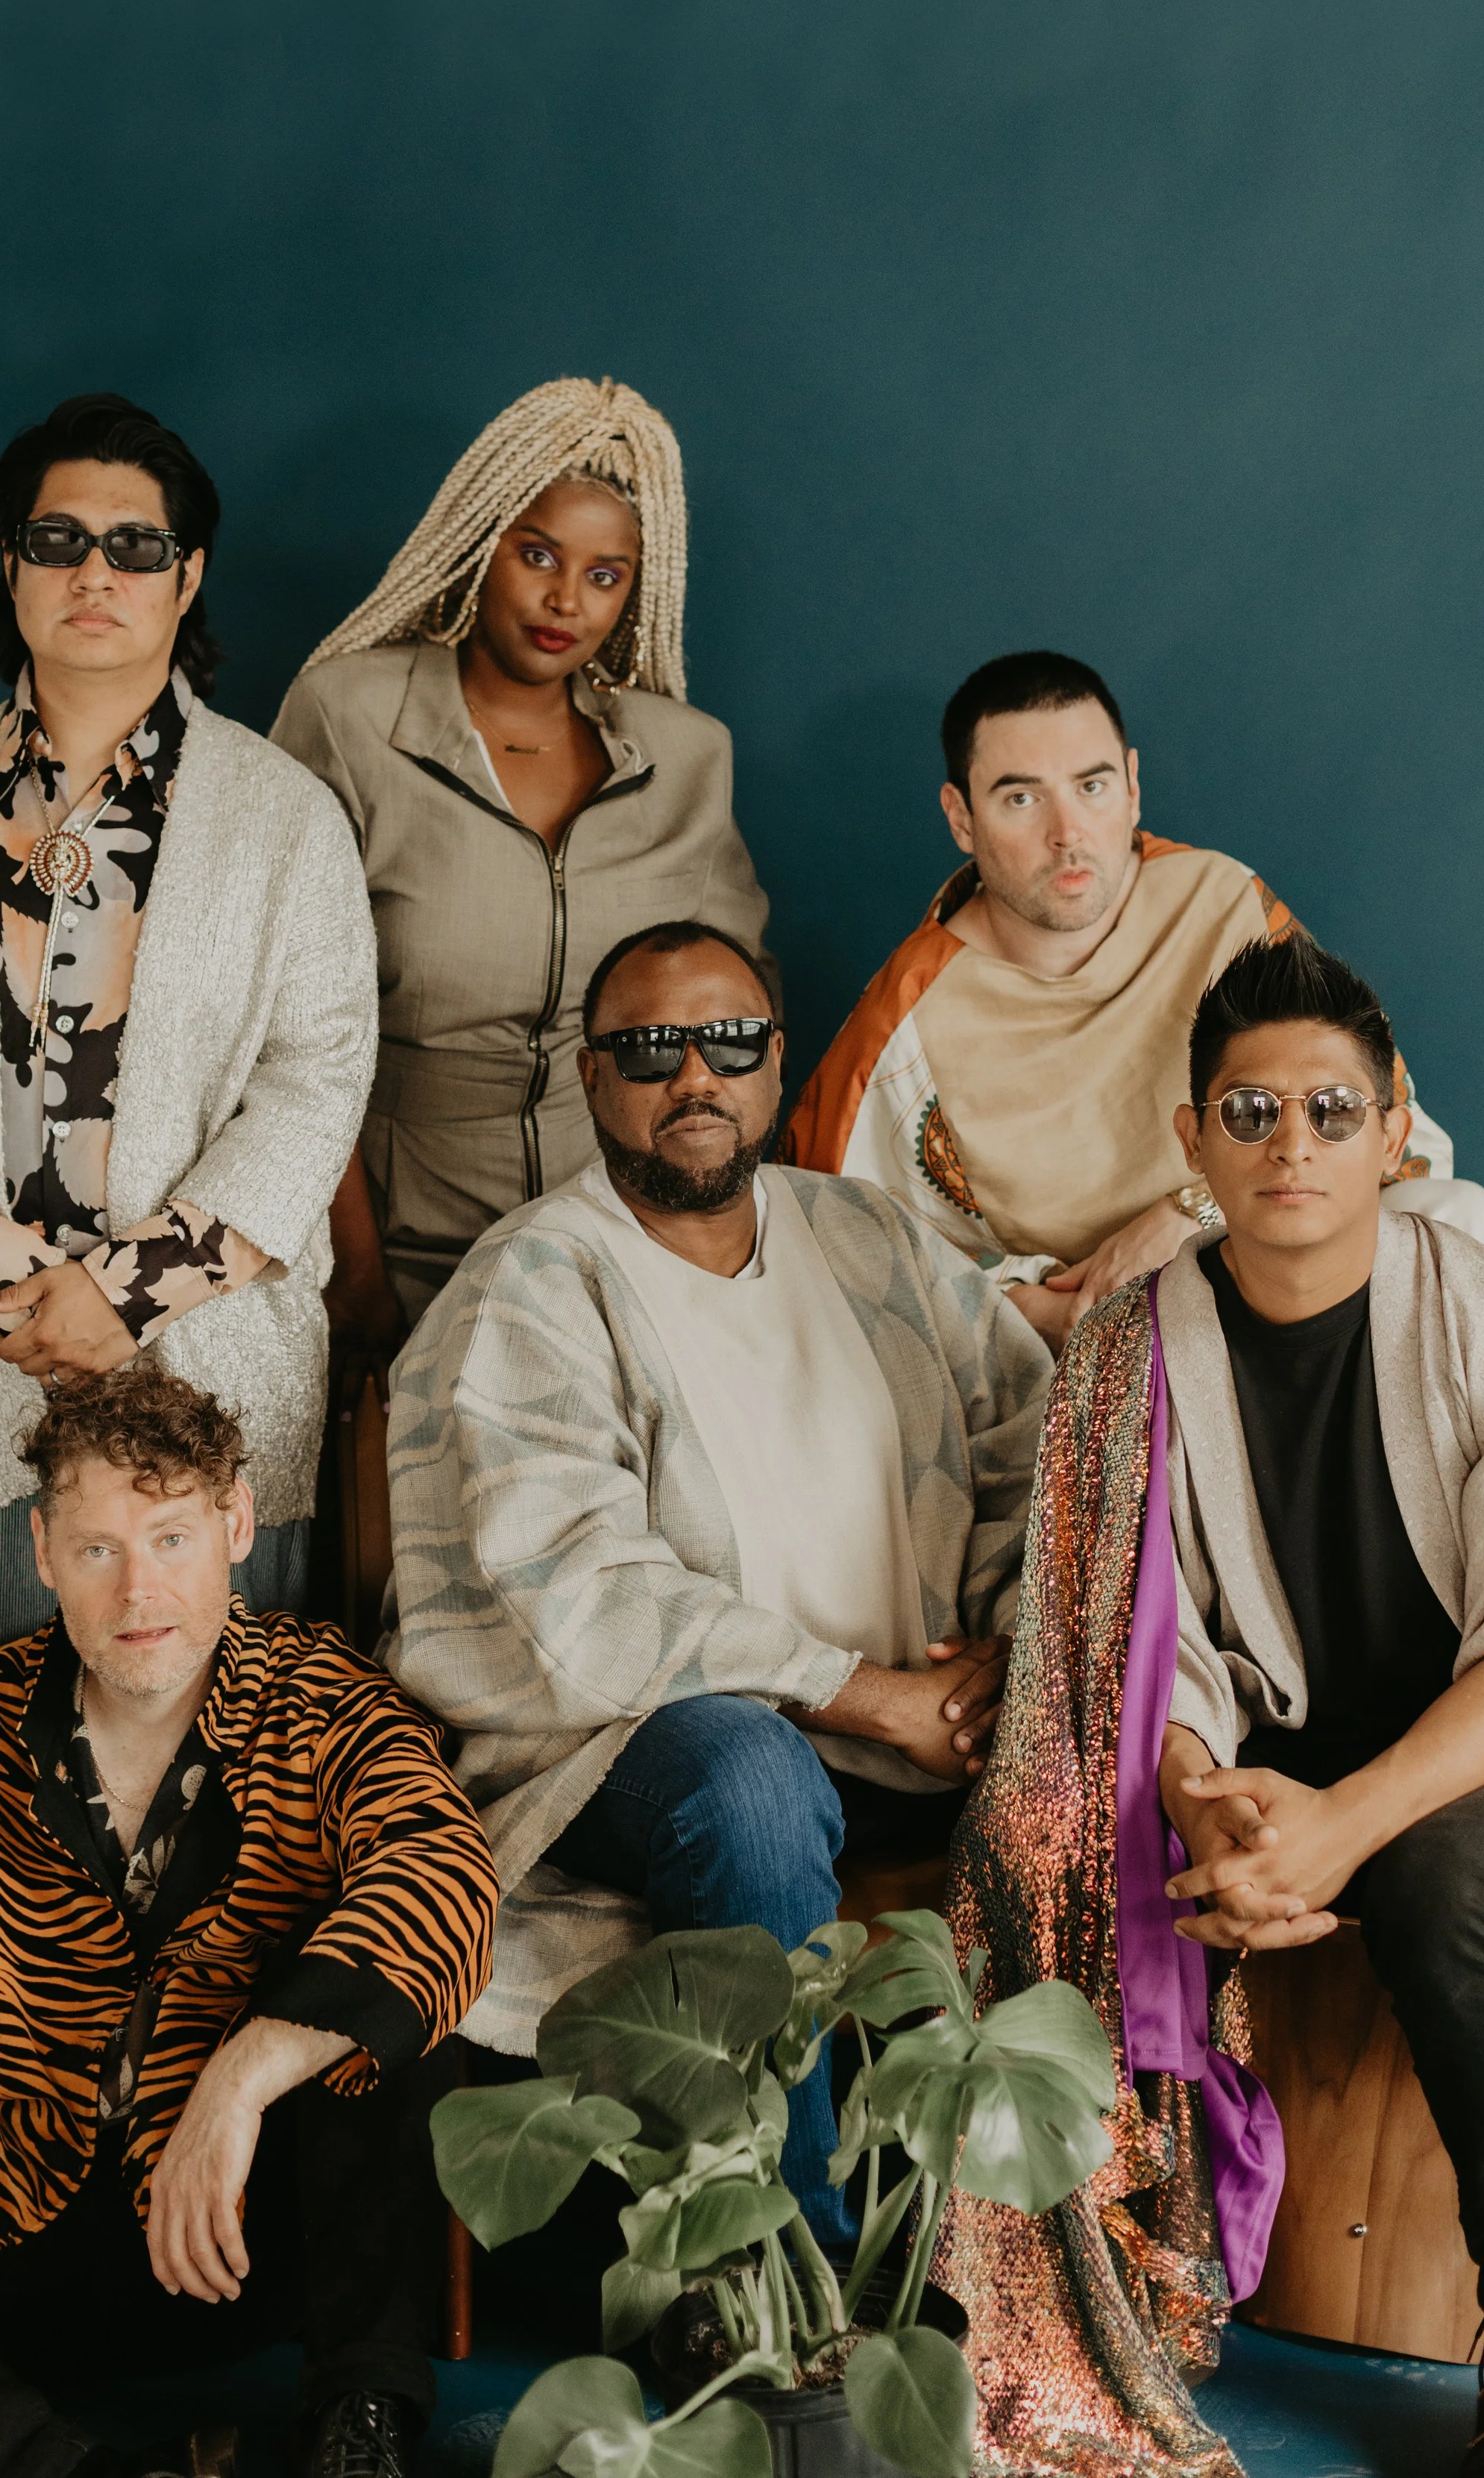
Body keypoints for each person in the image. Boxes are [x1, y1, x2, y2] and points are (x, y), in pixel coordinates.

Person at [928, 935, 1484, 2478]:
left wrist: (1341, 1828)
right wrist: (1202, 1788)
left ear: (1393, 1126)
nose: (1291, 1147)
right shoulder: (1131, 1346)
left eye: (1330, 1113)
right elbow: (1137, 1636)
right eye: (1251, 1111)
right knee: (1035, 1836)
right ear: (1191, 1139)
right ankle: (1072, 2298)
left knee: (1440, 1880)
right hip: (1272, 1768)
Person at [383, 918, 1051, 2251]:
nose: (695, 1075)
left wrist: (995, 1652)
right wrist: (859, 1696)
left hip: (920, 1722)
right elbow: (578, 1590)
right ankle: (780, 2273)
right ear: (591, 1079)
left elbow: (1023, 1438)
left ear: (774, 1063)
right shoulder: (536, 1283)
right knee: (750, 1771)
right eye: (649, 1049)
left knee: (1128, 1725)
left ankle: (1049, 2250)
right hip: (630, 1754)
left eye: (729, 1041)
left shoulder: (869, 1235)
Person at [0, 1365, 495, 2478]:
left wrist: (241, 2077)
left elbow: (441, 1870)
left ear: (236, 1523)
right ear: (42, 1551)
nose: (139, 1593)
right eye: (98, 1549)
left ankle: (353, 2432)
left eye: (172, 1538)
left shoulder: (329, 1701)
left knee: (385, 2015)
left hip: (241, 2235)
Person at [0, 392, 377, 1681]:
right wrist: (10, 1282)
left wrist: (122, 1294)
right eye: (57, 542)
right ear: (13, 566)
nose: (95, 572)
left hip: (210, 1368)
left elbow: (318, 1076)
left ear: (190, 576)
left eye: (136, 545)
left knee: (229, 1790)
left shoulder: (289, 820)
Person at [785, 648, 1484, 1352]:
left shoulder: (1219, 901)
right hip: (1100, 1355)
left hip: (1290, 1272)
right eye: (1019, 798)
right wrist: (1036, 1308)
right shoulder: (908, 1023)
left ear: (1133, 786)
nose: (1066, 834)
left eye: (1092, 786)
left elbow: (1380, 1128)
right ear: (960, 816)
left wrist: (1185, 1214)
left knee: (1461, 1218)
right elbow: (845, 1261)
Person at [270, 376, 773, 1390]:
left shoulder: (688, 755)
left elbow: (742, 1022)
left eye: (605, 574)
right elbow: (283, 1028)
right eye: (536, 554)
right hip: (402, 1252)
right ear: (477, 542)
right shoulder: (348, 717)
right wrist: (355, 1278)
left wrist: (708, 1243)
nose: (564, 601)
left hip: (624, 1253)